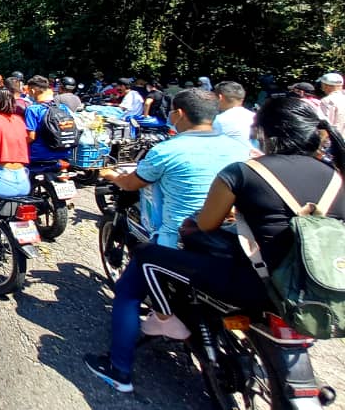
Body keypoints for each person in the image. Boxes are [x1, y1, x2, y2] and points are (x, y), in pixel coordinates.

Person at [85, 97, 345, 394]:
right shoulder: (334, 175)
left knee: (140, 269)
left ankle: (127, 361)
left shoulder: (244, 168)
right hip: (317, 285)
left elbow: (205, 223)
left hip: (258, 282)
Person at [98, 89, 254, 249]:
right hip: (225, 234)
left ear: (179, 113)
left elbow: (130, 184)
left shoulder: (166, 150)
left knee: (137, 267)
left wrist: (111, 174)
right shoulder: (240, 149)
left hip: (175, 239)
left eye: (171, 111)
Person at [24, 75, 75, 164]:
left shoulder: (33, 110)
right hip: (64, 153)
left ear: (32, 91)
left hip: (38, 155)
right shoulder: (63, 108)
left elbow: (31, 137)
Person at [320, 72, 345, 136]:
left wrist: (320, 144)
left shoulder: (327, 101)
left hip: (335, 141)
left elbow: (325, 125)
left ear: (326, 86)